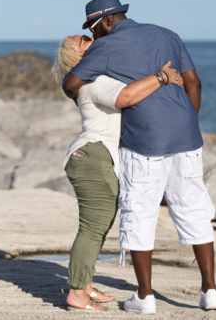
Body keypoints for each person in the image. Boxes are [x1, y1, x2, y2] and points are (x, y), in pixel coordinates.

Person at [63, 0, 216, 314]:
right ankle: (210, 290)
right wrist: (187, 119)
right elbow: (194, 82)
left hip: (144, 139)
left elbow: (71, 82)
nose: (94, 37)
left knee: (139, 212)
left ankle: (145, 298)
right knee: (195, 208)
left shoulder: (106, 47)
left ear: (106, 21)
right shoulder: (167, 34)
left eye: (93, 29)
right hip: (186, 136)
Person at [53, 34, 183, 312]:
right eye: (85, 39)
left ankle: (84, 284)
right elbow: (126, 97)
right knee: (92, 228)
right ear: (78, 54)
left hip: (95, 157)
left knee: (97, 226)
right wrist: (161, 77)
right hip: (92, 157)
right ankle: (77, 293)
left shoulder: (92, 80)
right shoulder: (94, 82)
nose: (93, 39)